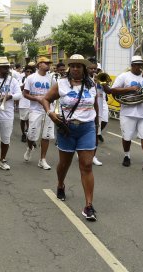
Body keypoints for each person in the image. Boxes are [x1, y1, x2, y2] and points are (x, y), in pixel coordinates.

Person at [42, 54, 98, 221]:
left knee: (87, 165)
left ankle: (88, 205)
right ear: (69, 68)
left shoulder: (92, 84)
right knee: (64, 163)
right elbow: (46, 99)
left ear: (84, 68)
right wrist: (50, 113)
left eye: (78, 66)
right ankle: (60, 184)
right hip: (67, 128)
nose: (75, 68)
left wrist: (97, 127)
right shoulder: (61, 84)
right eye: (72, 66)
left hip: (87, 128)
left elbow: (95, 106)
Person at [107, 55, 143, 172]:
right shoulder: (124, 76)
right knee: (127, 137)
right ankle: (127, 155)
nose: (139, 67)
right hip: (128, 112)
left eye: (141, 65)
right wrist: (129, 89)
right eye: (137, 65)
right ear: (132, 66)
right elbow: (113, 90)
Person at [23, 56, 56, 170]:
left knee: (46, 135)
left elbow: (55, 93)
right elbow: (25, 94)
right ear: (39, 65)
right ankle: (29, 148)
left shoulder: (52, 79)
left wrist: (49, 100)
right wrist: (37, 99)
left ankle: (42, 160)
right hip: (35, 110)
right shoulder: (31, 78)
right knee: (32, 134)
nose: (48, 65)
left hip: (48, 110)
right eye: (46, 63)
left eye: (49, 63)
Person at [87, 59, 103, 166]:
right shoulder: (83, 80)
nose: (93, 70)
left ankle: (93, 156)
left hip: (97, 110)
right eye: (91, 68)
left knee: (96, 134)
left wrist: (100, 81)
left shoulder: (97, 79)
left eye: (95, 68)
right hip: (85, 112)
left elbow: (108, 90)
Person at [18, 66, 33, 142]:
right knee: (23, 120)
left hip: (32, 103)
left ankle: (30, 136)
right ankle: (23, 134)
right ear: (25, 72)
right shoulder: (22, 79)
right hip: (23, 103)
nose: (29, 73)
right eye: (27, 71)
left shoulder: (34, 79)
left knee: (30, 120)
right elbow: (19, 89)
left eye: (31, 72)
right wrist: (26, 83)